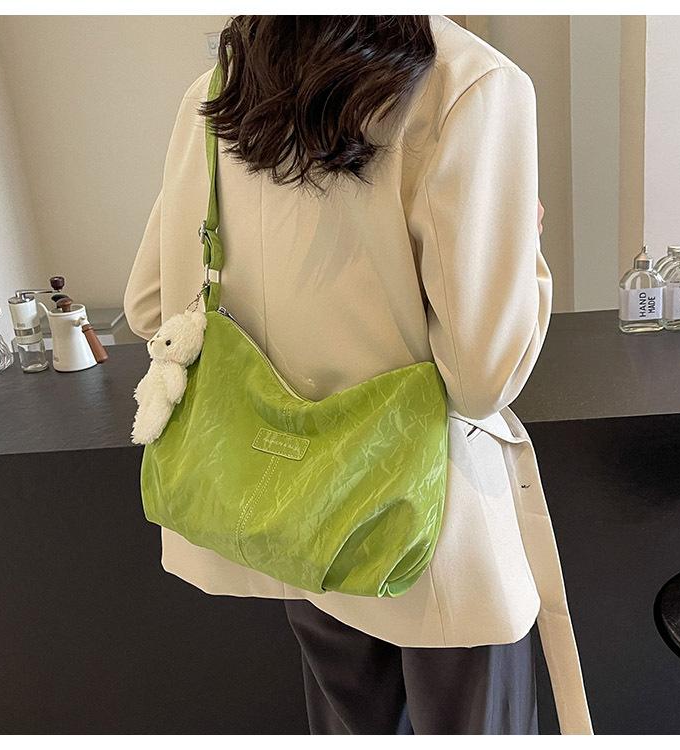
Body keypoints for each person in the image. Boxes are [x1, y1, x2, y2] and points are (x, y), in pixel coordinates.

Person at [124, 14, 592, 735]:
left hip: (300, 528)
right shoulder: (470, 84)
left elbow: (151, 306)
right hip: (432, 531)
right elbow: (481, 378)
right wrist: (522, 245)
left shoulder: (221, 90)